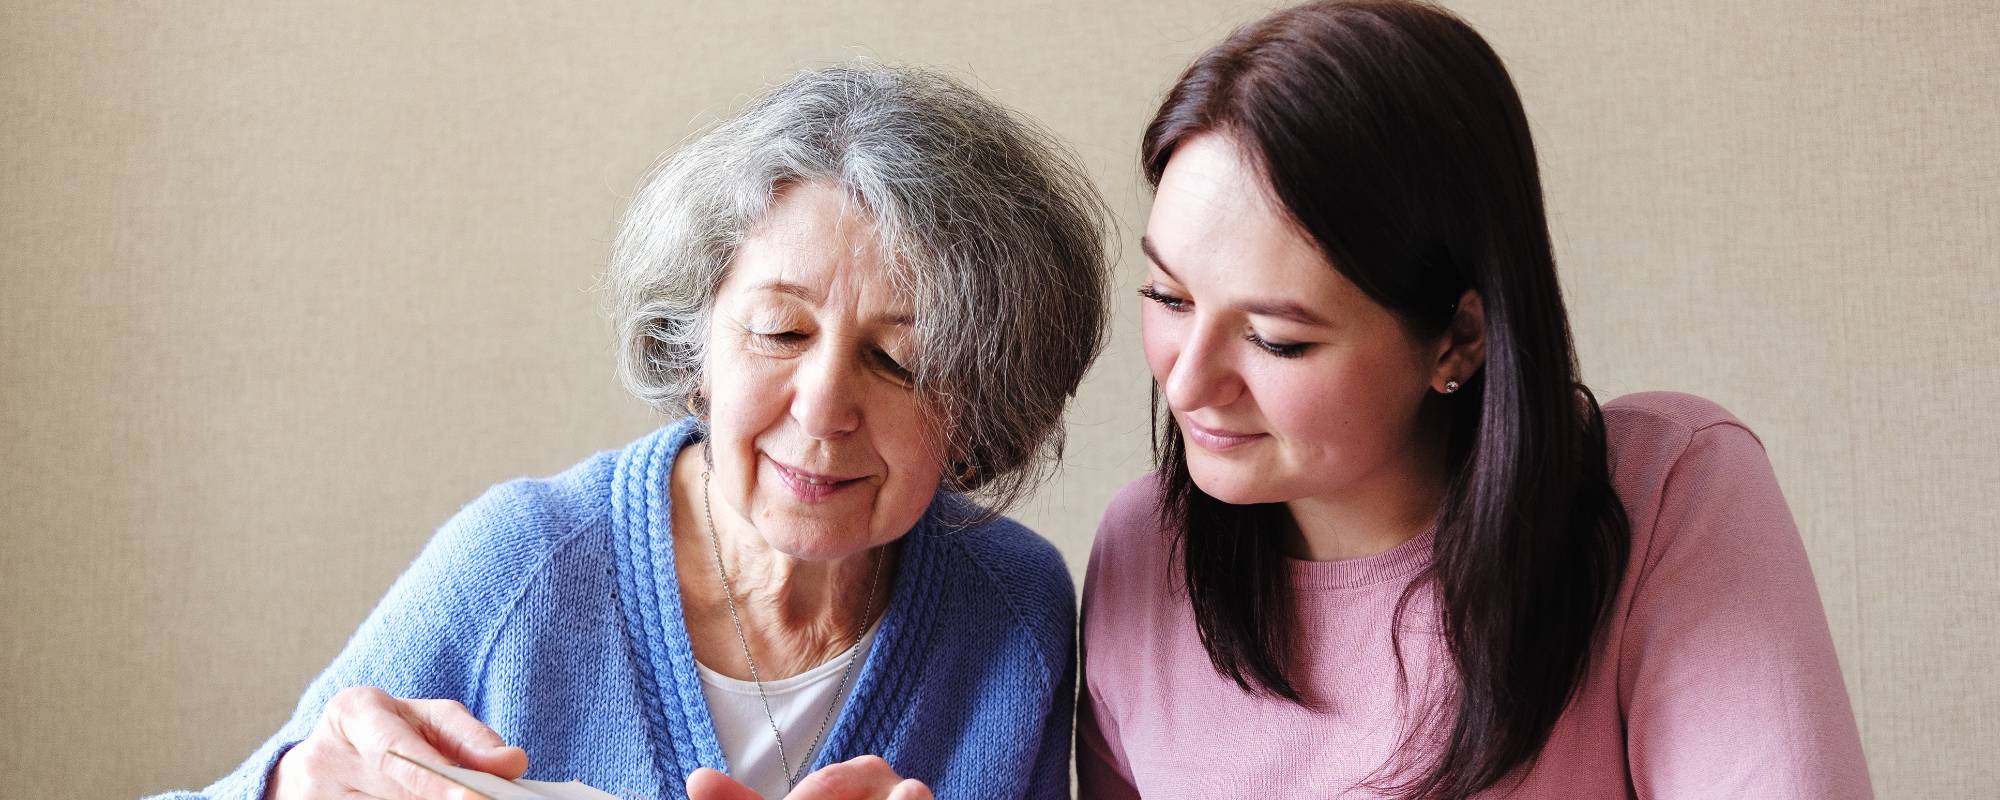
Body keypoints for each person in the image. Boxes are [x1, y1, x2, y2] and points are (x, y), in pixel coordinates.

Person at [148, 63, 1109, 800]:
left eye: (900, 359)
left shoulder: (1012, 613)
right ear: (694, 347)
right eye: (779, 331)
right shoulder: (522, 563)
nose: (822, 408)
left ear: (985, 399)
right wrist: (287, 785)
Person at [1075, 1, 1872, 798]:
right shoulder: (1144, 550)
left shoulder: (1665, 493)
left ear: (1459, 336)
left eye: (1278, 339)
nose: (1185, 383)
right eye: (1167, 296)